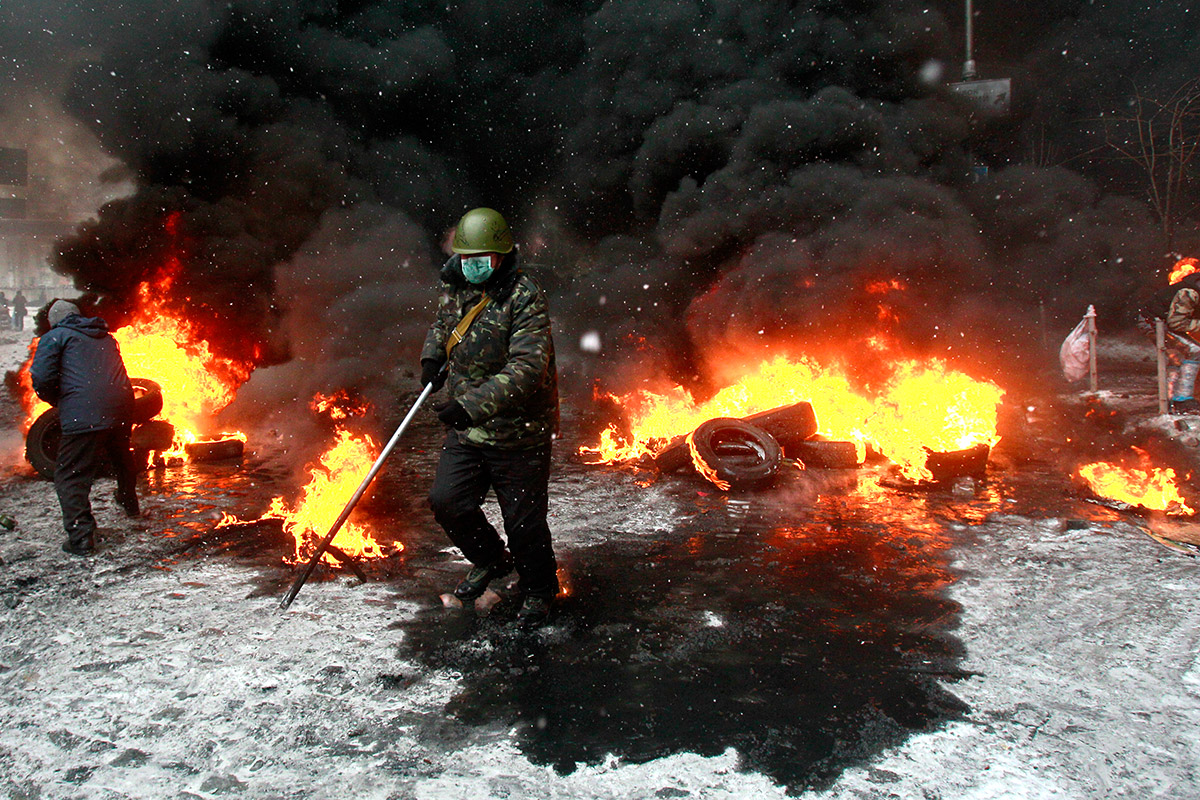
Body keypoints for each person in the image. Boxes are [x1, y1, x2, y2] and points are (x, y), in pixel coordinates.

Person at [420, 207, 560, 627]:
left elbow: (528, 369)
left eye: (481, 259)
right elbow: (444, 324)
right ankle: (492, 561)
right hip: (469, 430)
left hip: (519, 433)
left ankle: (539, 588)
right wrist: (432, 356)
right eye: (466, 257)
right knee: (448, 501)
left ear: (501, 255)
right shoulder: (455, 284)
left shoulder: (525, 296)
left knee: (524, 524)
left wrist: (468, 405)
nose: (472, 266)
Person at [30, 300, 139, 555]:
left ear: (54, 320)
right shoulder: (106, 336)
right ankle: (129, 503)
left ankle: (81, 537)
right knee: (121, 457)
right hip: (122, 404)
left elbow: (43, 378)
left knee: (69, 475)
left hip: (85, 412)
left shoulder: (55, 337)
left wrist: (57, 400)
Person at [1139, 268, 1200, 414]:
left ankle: (1174, 400)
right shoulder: (1189, 293)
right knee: (1192, 351)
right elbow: (1177, 322)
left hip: (1166, 321)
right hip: (1155, 322)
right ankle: (1181, 400)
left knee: (1180, 357)